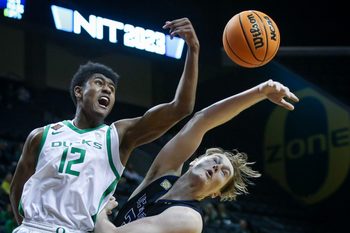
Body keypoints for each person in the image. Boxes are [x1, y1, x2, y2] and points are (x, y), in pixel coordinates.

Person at [9, 17, 200, 233]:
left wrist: (193, 50)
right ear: (79, 92)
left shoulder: (118, 136)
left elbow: (181, 108)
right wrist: (25, 226)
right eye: (99, 83)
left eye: (112, 87)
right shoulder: (41, 135)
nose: (107, 89)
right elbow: (17, 188)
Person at [95, 79, 299, 233]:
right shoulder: (162, 176)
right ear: (195, 160)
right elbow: (202, 120)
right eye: (216, 160)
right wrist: (259, 92)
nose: (217, 167)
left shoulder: (188, 218)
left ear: (216, 193)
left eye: (223, 172)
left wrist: (100, 208)